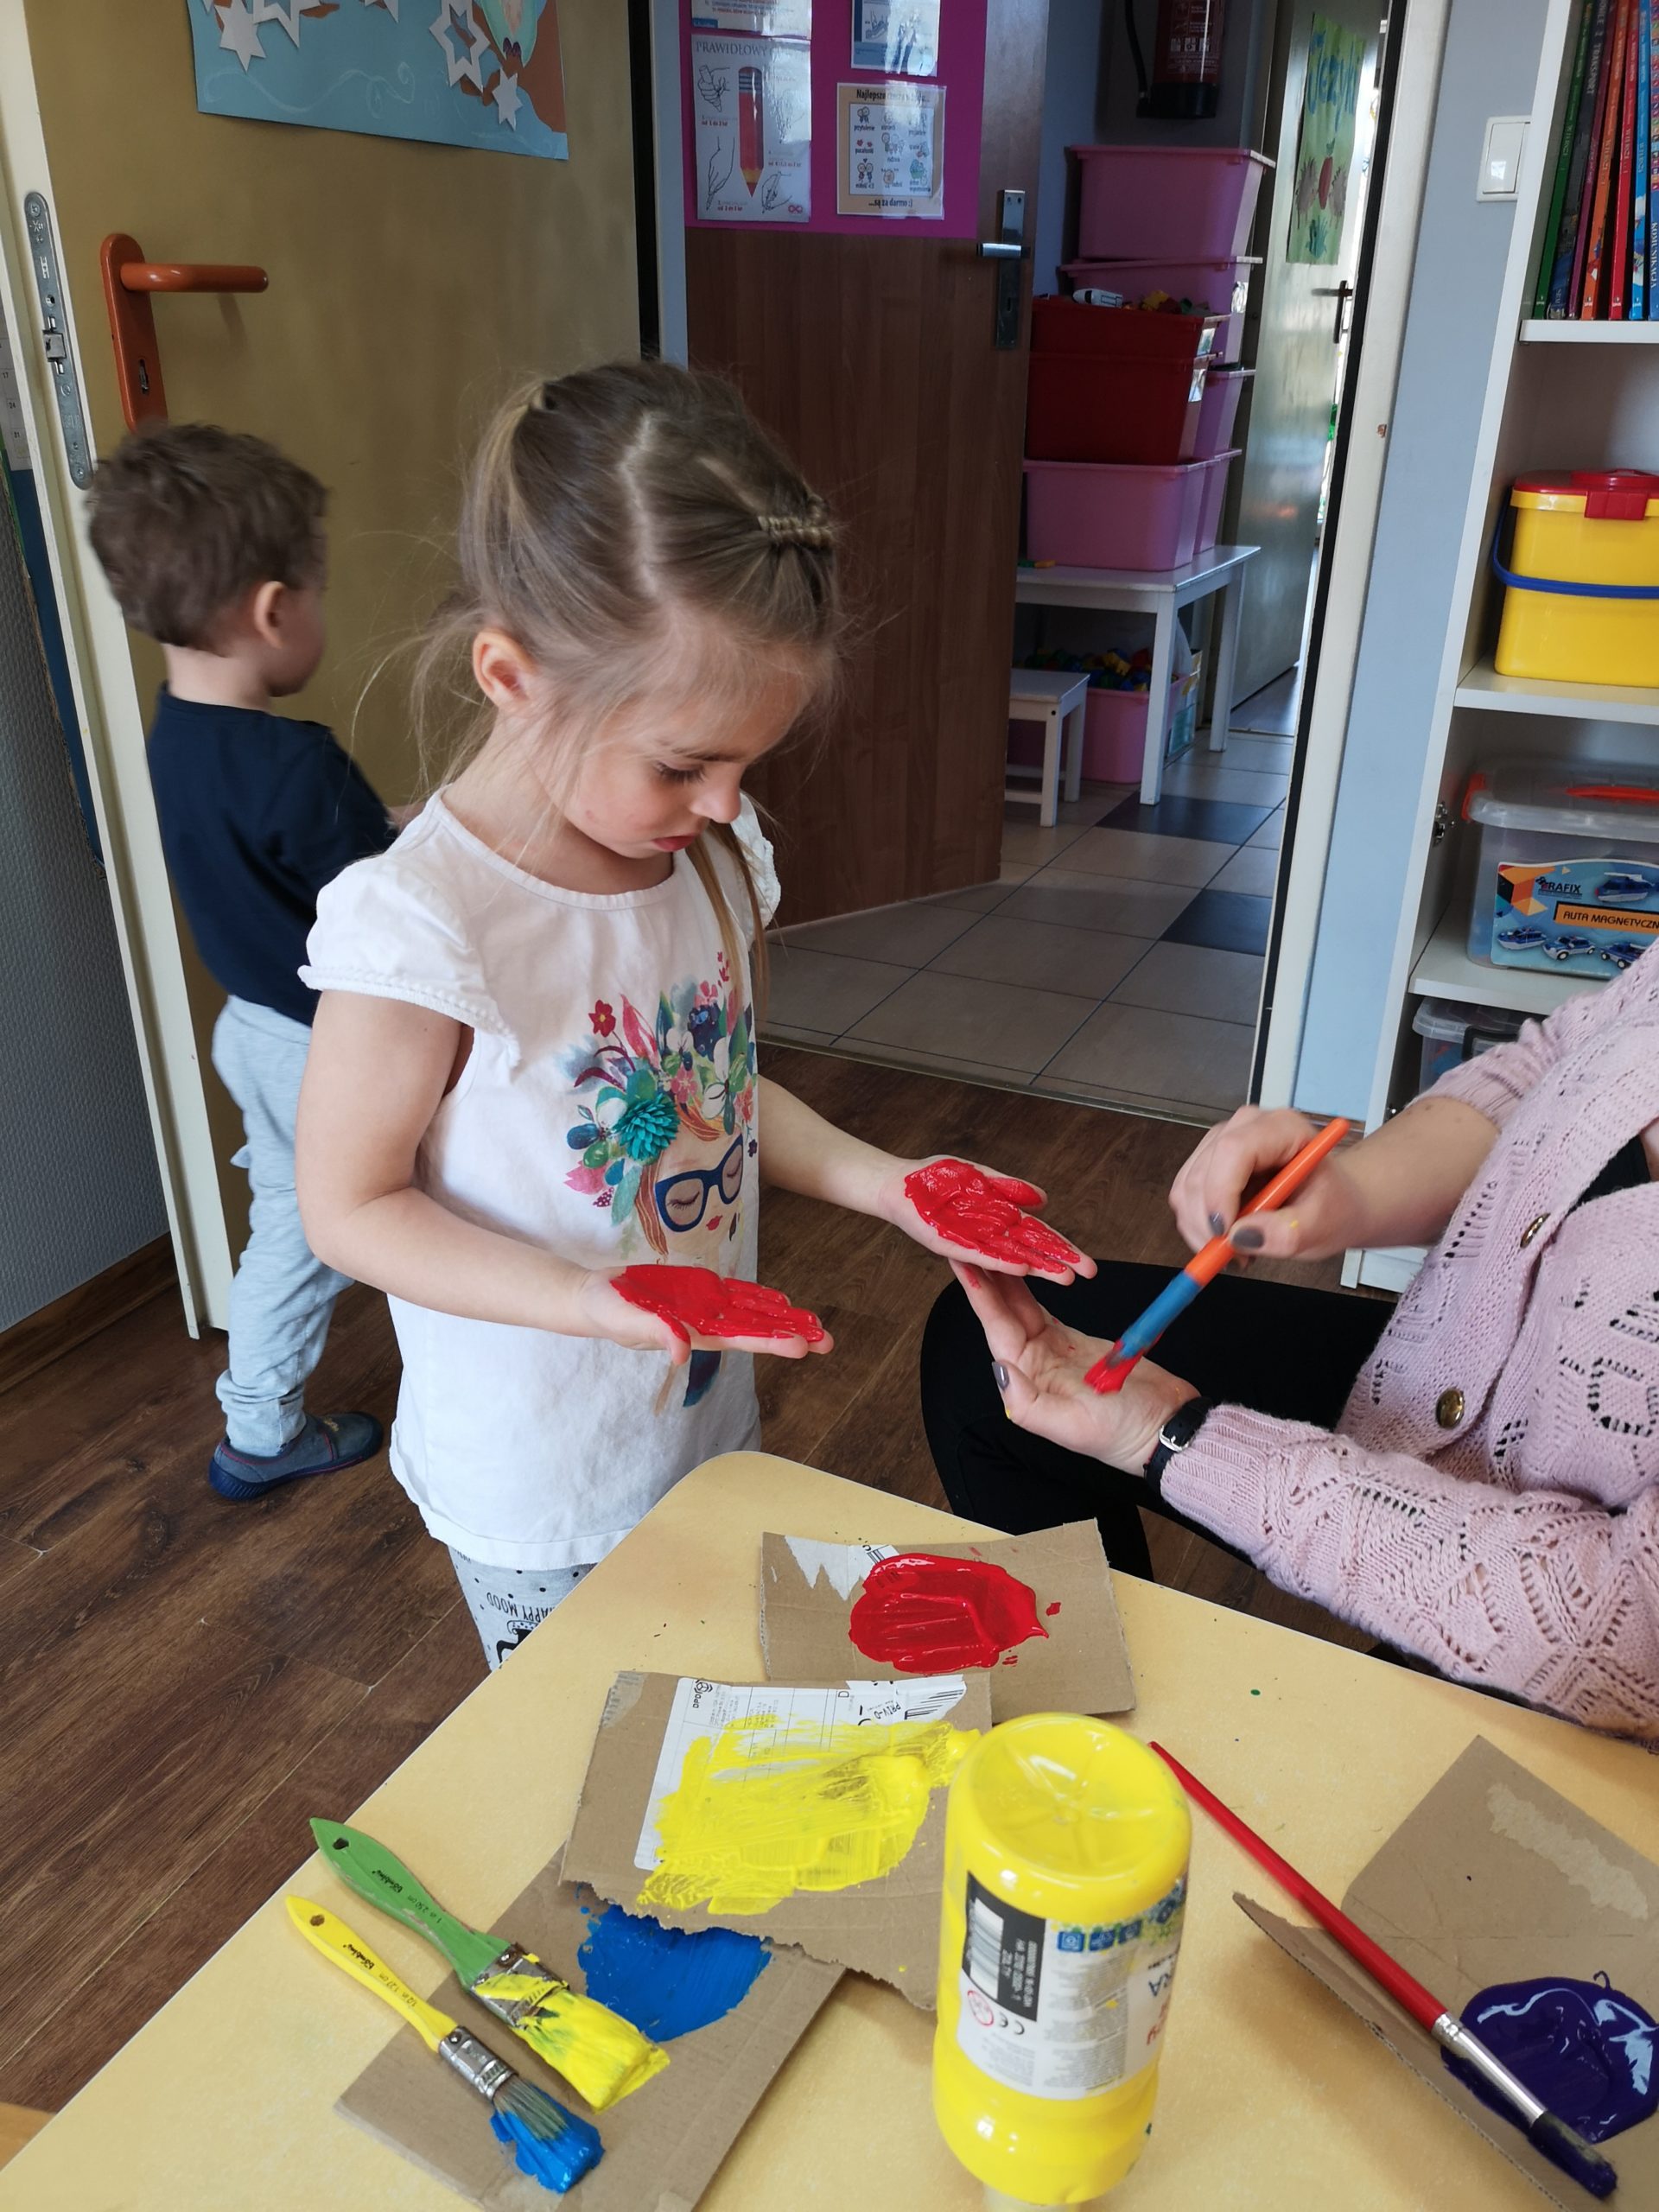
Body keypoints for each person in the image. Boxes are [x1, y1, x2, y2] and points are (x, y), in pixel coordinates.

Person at [295, 362, 1086, 1669]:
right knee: (589, 1737)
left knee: (708, 1696)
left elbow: (716, 1096)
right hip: (544, 1474)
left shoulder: (702, 856)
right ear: (512, 676)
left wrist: (894, 1185)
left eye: (745, 764)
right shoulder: (423, 927)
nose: (723, 803)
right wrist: (593, 1298)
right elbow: (350, 1208)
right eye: (683, 764)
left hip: (696, 1416)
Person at [924, 951, 1659, 1739]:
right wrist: (1350, 1193)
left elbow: (1624, 1628)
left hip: (1573, 1635)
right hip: (1449, 1367)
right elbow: (1555, 1060)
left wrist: (1175, 1439)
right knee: (983, 1358)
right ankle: (1087, 1715)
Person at [88, 423, 393, 1502]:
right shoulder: (300, 765)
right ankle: (274, 1432)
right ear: (273, 612)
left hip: (251, 1030)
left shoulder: (172, 734)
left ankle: (261, 1419)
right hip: (328, 1048)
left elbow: (287, 862)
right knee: (367, 1224)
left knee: (285, 1225)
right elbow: (388, 909)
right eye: (317, 591)